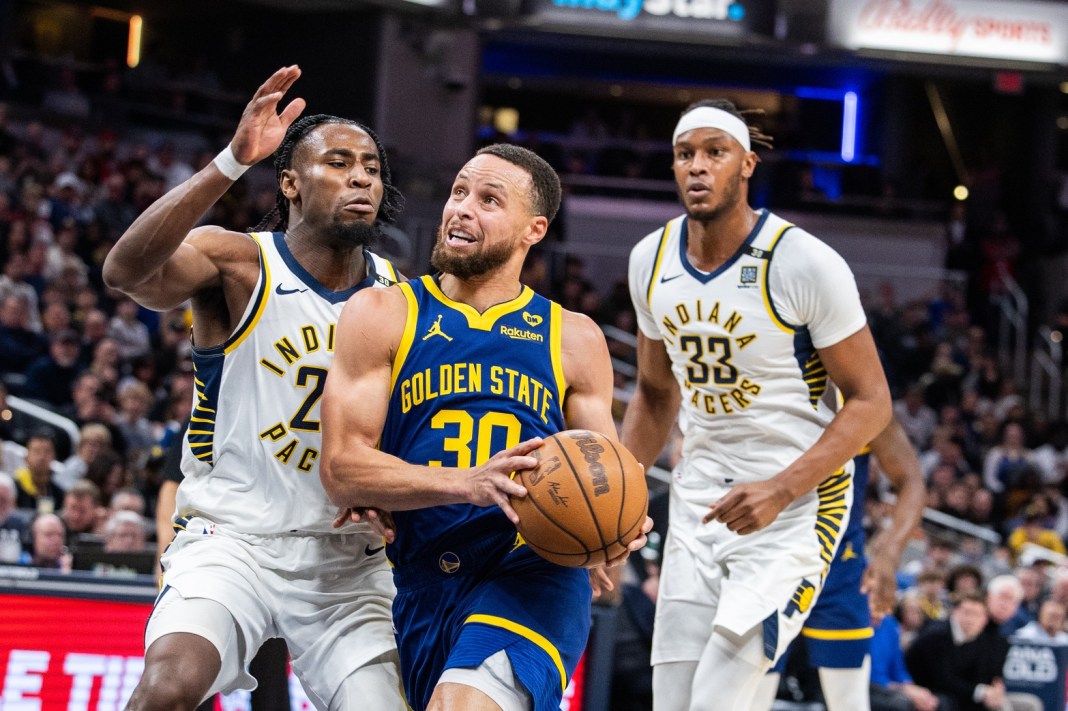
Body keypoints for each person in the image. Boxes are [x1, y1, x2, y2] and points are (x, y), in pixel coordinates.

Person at [101, 65, 406, 711]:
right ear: (290, 181)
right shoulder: (235, 260)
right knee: (164, 689)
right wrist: (231, 162)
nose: (362, 177)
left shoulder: (397, 296)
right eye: (341, 163)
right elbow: (125, 270)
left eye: (372, 168)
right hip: (231, 540)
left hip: (344, 559)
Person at [320, 143, 650, 711]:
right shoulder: (383, 313)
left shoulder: (572, 336)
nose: (462, 209)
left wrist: (619, 525)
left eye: (489, 199)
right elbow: (342, 469)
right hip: (419, 574)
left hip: (531, 566)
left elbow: (604, 469)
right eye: (459, 192)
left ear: (534, 229)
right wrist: (467, 482)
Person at [620, 98, 891, 710]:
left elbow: (873, 402)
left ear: (746, 163)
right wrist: (621, 494)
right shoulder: (650, 260)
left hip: (796, 504)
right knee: (674, 700)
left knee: (719, 699)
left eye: (714, 153)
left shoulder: (806, 262)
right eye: (685, 154)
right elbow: (657, 392)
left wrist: (782, 488)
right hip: (698, 499)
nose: (697, 167)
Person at [753, 417, 927, 711]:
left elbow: (911, 479)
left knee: (851, 703)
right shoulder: (765, 394)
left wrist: (889, 552)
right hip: (769, 561)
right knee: (749, 698)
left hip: (842, 568)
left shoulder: (861, 394)